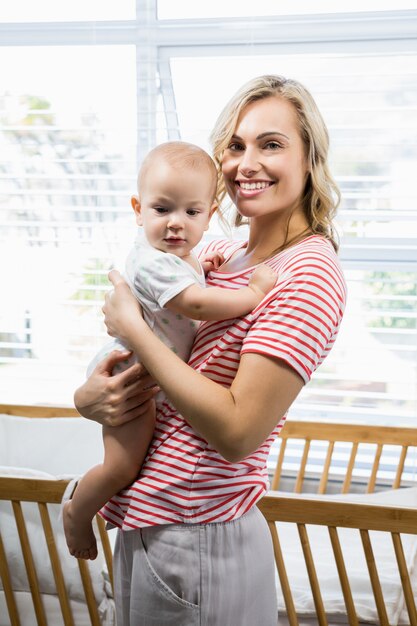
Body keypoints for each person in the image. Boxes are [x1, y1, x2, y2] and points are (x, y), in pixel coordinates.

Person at [73, 75, 347, 626]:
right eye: (236, 145)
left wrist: (135, 329)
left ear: (310, 158)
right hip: (151, 520)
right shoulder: (217, 252)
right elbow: (139, 345)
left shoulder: (307, 272)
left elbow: (237, 432)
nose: (248, 162)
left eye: (271, 144)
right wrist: (90, 398)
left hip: (195, 531)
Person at [63, 141, 277, 561]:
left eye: (191, 213)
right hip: (133, 377)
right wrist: (253, 294)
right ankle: (77, 513)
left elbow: (191, 279)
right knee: (122, 467)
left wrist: (202, 269)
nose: (176, 224)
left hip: (149, 372)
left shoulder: (181, 256)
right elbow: (195, 304)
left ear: (209, 215)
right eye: (162, 210)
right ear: (138, 209)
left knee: (129, 463)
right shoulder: (151, 262)